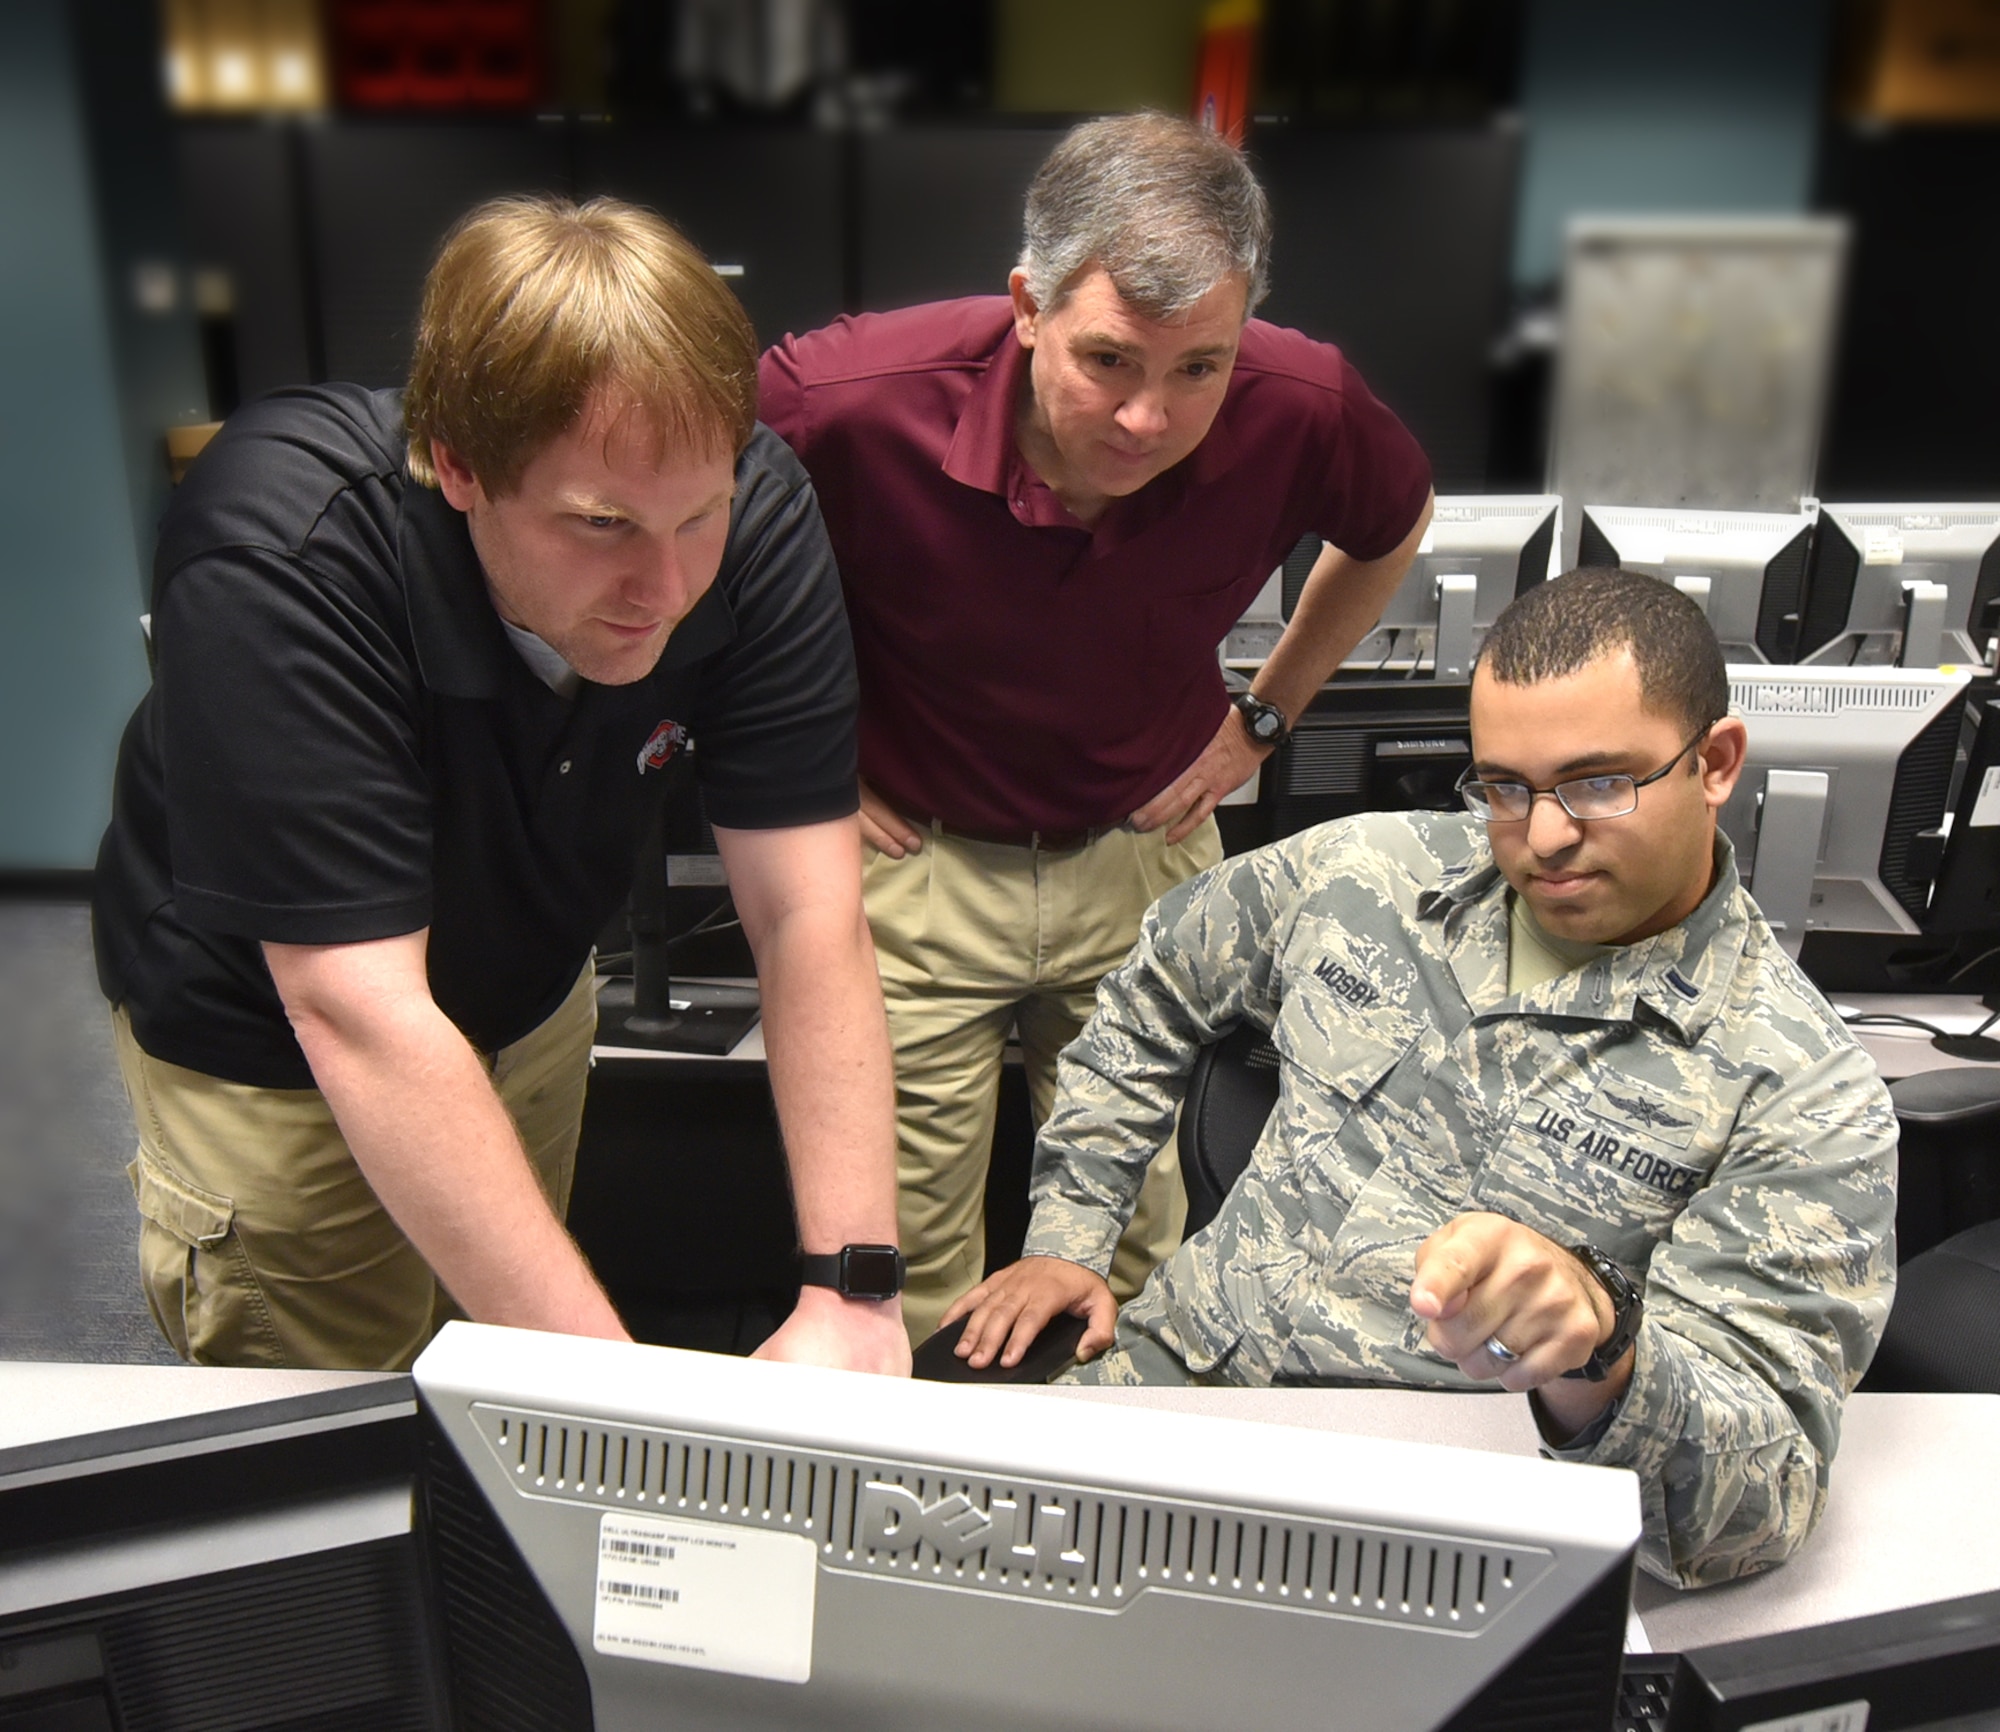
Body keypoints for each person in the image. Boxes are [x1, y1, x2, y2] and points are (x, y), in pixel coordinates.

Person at [945, 567, 1898, 1588]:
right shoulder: (1368, 876)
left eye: (1596, 784)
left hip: (1432, 1523)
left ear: (1713, 763)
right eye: (1503, 786)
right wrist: (1068, 1235)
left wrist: (1602, 1353)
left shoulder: (1801, 1094)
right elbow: (1152, 985)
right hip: (1170, 1394)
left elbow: (1754, 1507)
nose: (1540, 837)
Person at [92, 195, 910, 1376]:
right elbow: (357, 1009)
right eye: (601, 524)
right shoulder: (282, 545)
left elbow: (804, 908)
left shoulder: (756, 507)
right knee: (346, 1426)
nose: (667, 584)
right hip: (276, 1039)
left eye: (698, 515)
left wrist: (854, 1286)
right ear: (460, 467)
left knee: (497, 1350)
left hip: (525, 993)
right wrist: (618, 1402)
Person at [760, 113, 1435, 1342]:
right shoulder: (842, 398)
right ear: (1027, 305)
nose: (1146, 419)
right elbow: (683, 529)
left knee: (1134, 1240)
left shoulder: (1300, 402)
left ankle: (1115, 1505)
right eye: (1109, 360)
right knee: (895, 1252)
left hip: (1145, 856)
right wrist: (783, 751)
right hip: (918, 866)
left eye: (1197, 369)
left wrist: (1263, 719)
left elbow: (1391, 524)